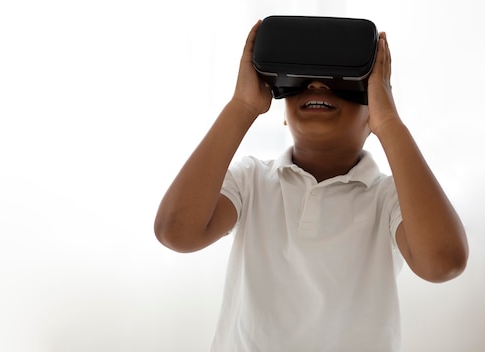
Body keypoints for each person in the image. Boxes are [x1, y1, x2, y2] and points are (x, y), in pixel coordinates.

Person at [153, 19, 469, 351]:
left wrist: (390, 124)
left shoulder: (388, 199)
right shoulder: (251, 182)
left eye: (340, 79)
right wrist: (242, 106)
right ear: (284, 113)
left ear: (372, 112)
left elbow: (442, 261)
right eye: (302, 79)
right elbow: (176, 232)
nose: (317, 85)